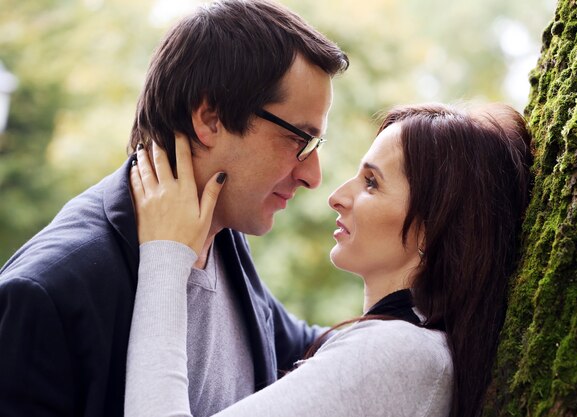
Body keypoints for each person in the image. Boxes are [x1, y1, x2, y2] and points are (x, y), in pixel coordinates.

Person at [0, 1, 348, 416]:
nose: (313, 176)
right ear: (210, 118)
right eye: (299, 139)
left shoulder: (221, 233)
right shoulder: (46, 293)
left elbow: (307, 346)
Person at [125, 102, 534, 417]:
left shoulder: (397, 354)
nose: (336, 196)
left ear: (435, 226)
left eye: (371, 183)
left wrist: (165, 252)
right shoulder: (408, 347)